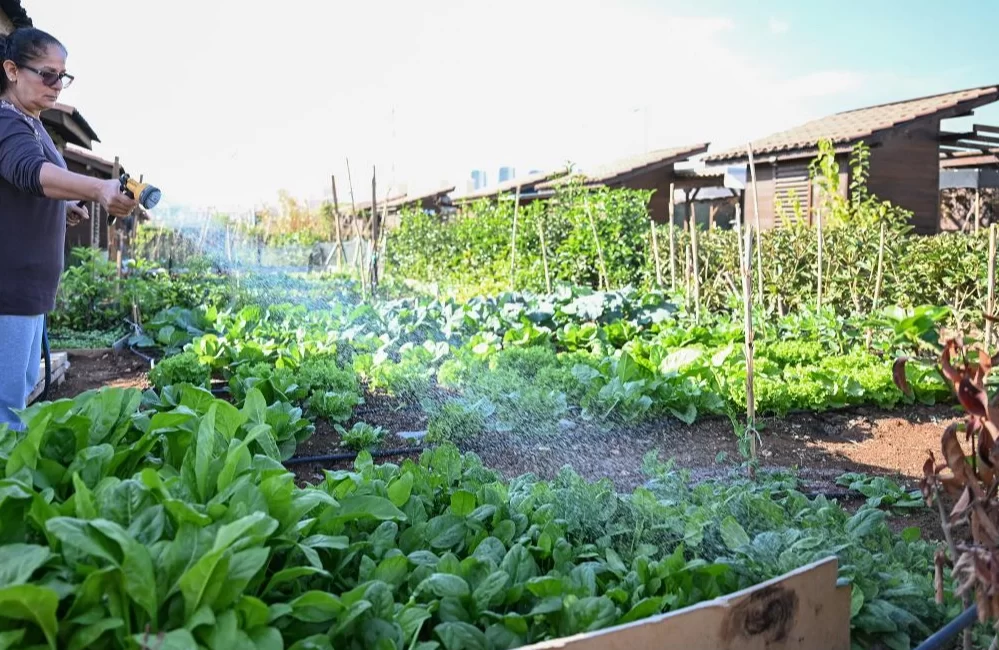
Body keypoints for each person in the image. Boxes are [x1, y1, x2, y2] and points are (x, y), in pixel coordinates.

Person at [0, 27, 137, 431]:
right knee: (6, 414)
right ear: (11, 70)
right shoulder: (7, 123)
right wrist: (97, 188)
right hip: (9, 292)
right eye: (47, 74)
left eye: (63, 76)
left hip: (29, 294)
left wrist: (65, 205)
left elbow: (28, 191)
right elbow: (28, 172)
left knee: (17, 402)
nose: (57, 85)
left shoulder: (34, 123)